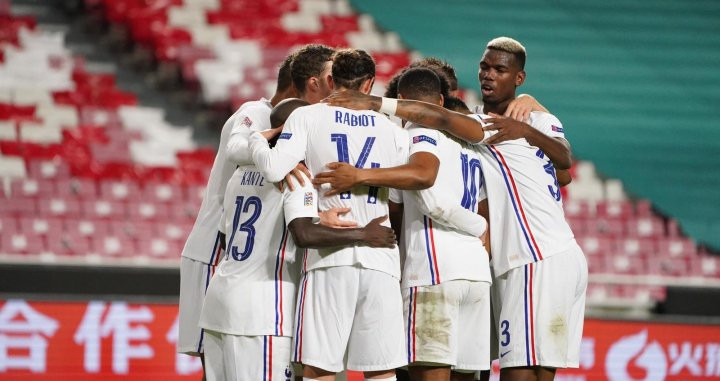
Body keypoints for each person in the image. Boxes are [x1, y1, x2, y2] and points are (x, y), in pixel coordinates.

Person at [324, 37, 588, 381]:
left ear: (519, 78)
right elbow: (563, 175)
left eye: (499, 69)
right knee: (537, 371)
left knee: (519, 371)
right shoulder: (510, 121)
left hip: (533, 257)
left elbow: (564, 160)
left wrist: (372, 102)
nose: (488, 75)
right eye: (484, 67)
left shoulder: (500, 125)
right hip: (555, 254)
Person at [198, 98, 397, 381]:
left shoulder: (240, 173)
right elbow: (303, 234)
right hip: (263, 312)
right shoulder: (295, 176)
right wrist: (364, 233)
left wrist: (315, 218)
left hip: (219, 301)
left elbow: (225, 235)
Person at [316, 66, 493, 381]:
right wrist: (480, 230)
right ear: (439, 98)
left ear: (401, 101)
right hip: (477, 275)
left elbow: (427, 191)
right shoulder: (472, 145)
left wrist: (359, 175)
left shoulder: (414, 133)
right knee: (466, 376)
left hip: (434, 270)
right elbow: (484, 205)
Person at [249, 48, 408, 381]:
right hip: (381, 255)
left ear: (331, 80)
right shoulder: (393, 129)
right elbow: (397, 196)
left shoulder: (307, 117)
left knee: (320, 368)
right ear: (369, 85)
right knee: (381, 370)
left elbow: (275, 168)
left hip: (329, 256)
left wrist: (254, 140)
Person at [177, 51, 297, 377]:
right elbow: (237, 148)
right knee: (216, 362)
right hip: (215, 250)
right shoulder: (256, 112)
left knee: (223, 365)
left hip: (230, 246)